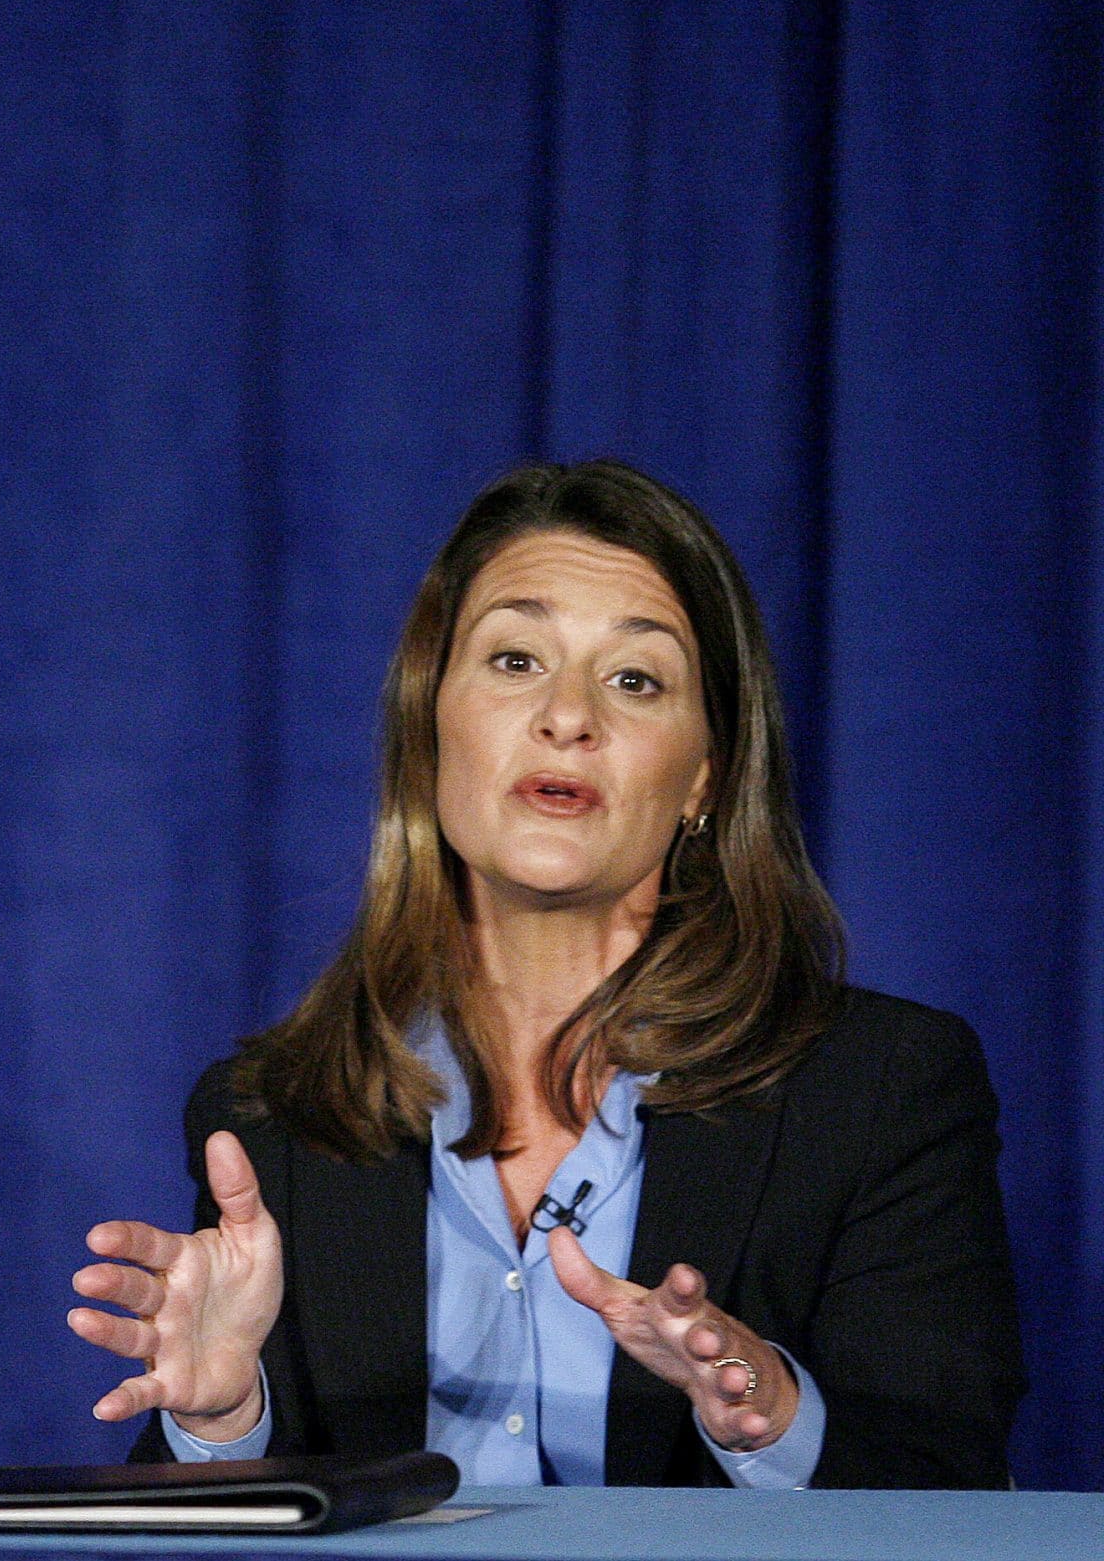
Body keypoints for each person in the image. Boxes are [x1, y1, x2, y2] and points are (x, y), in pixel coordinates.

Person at [68, 460, 1021, 1488]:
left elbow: (950, 1482)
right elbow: (228, 1524)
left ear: (704, 774)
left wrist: (768, 1414)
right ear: (431, 730)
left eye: (633, 679)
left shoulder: (878, 1089)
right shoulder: (275, 1117)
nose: (568, 715)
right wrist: (225, 1417)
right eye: (515, 660)